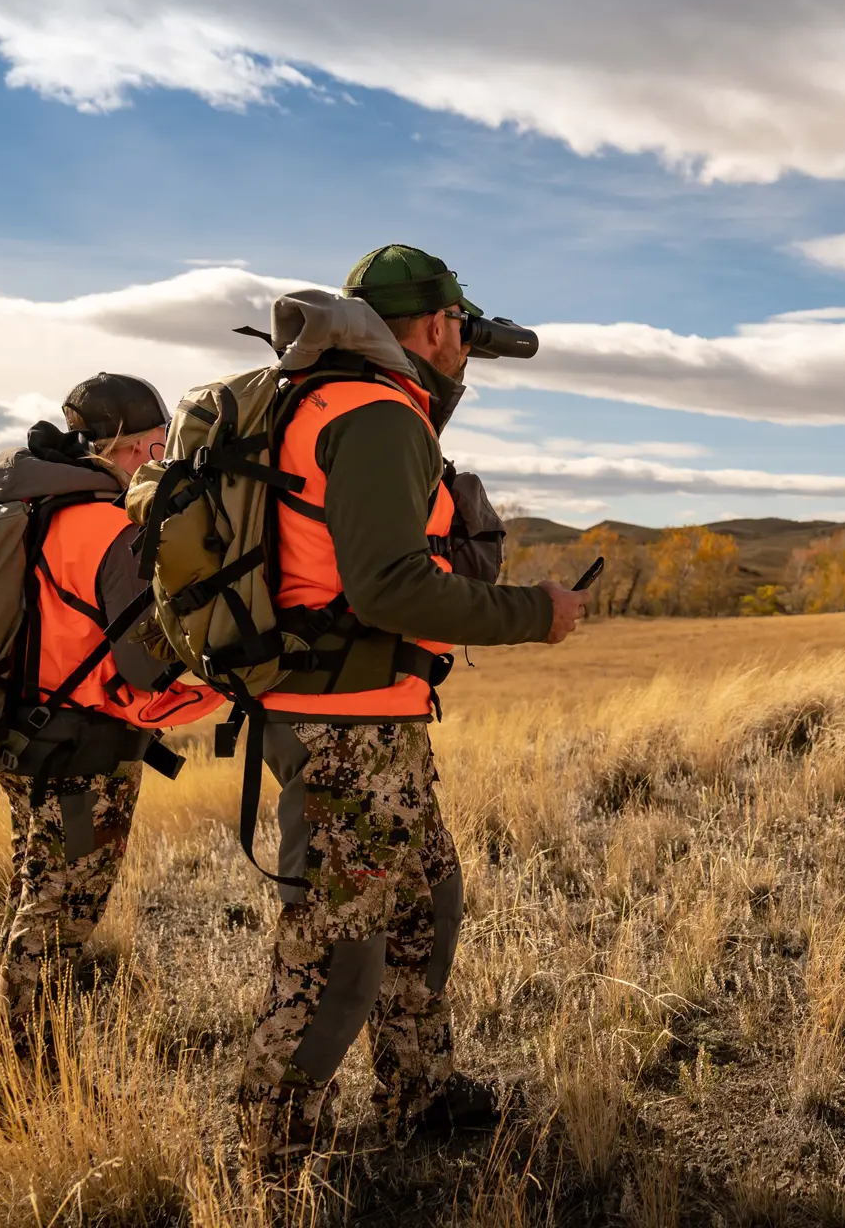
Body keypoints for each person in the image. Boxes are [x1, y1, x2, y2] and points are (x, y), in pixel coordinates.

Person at [238, 245, 586, 1170]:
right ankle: (269, 1155)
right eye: (461, 332)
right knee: (336, 952)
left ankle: (417, 1094)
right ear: (435, 327)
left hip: (369, 715)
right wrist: (534, 614)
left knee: (426, 902)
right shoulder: (377, 412)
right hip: (344, 723)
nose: (466, 350)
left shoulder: (332, 399)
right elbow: (390, 587)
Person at [0, 373, 221, 1053]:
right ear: (131, 446)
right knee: (59, 918)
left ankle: (21, 1057)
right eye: (158, 445)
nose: (161, 458)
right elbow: (147, 665)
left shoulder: (36, 508)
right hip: (83, 752)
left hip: (25, 734)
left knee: (35, 895)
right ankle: (33, 1075)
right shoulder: (106, 526)